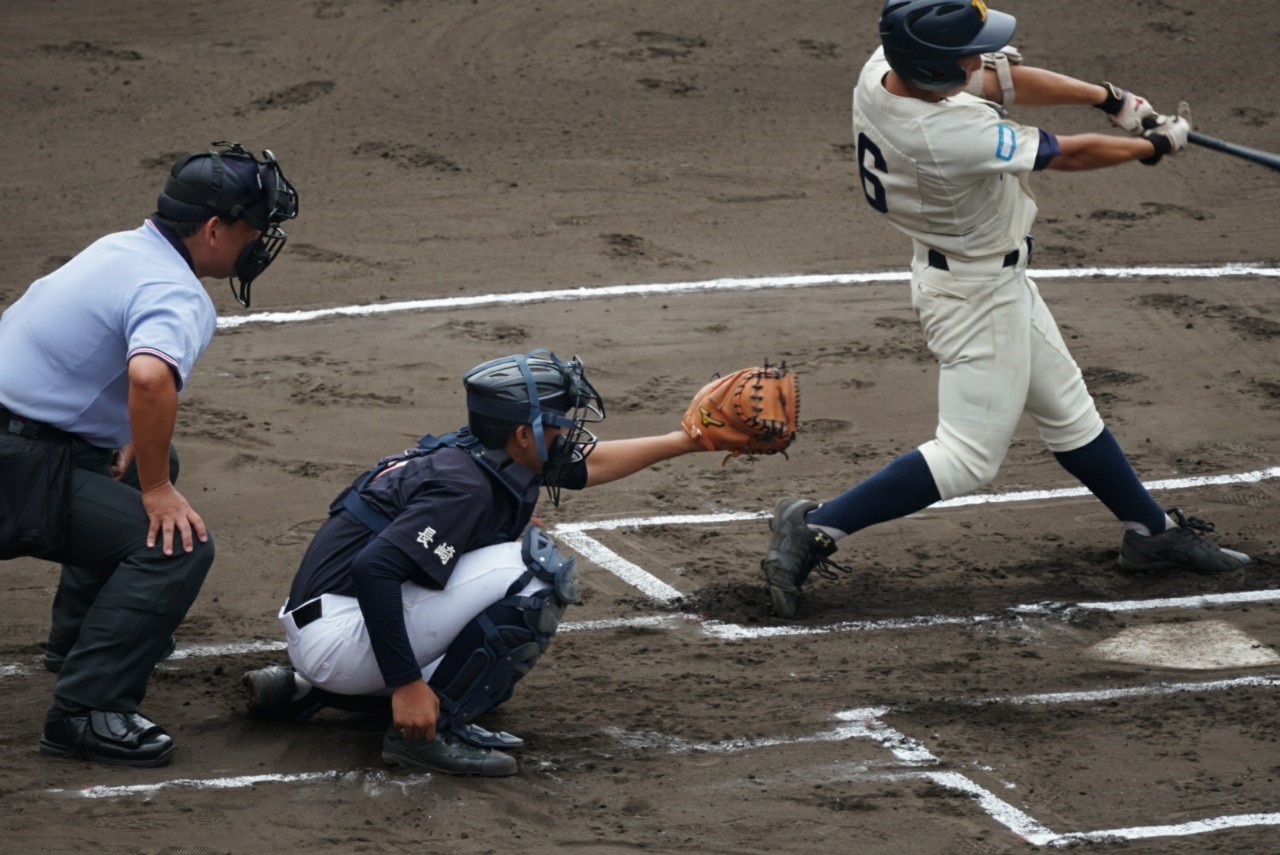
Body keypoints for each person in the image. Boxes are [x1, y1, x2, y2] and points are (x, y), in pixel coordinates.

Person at [760, 0, 1250, 618]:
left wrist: (1112, 99)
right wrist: (1150, 147)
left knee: (1068, 412)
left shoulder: (885, 68)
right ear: (936, 68)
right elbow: (1064, 154)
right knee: (966, 457)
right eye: (965, 54)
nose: (979, 60)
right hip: (974, 295)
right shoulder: (945, 136)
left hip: (985, 276)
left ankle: (1151, 534)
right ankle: (817, 527)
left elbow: (1002, 80)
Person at [242, 348, 713, 776]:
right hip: (339, 635)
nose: (570, 429)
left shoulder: (483, 450)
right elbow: (374, 569)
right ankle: (424, 736)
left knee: (485, 681)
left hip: (328, 622)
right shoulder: (464, 488)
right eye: (561, 420)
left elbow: (587, 467)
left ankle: (307, 691)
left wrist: (685, 441)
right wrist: (407, 685)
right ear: (525, 434)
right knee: (535, 574)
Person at [0, 141, 300, 766]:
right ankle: (85, 711)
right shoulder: (176, 292)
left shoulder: (122, 248)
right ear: (215, 229)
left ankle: (82, 637)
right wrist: (158, 492)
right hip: (17, 465)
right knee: (174, 541)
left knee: (147, 465)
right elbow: (147, 379)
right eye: (255, 229)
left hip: (26, 438)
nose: (260, 242)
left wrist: (144, 458)